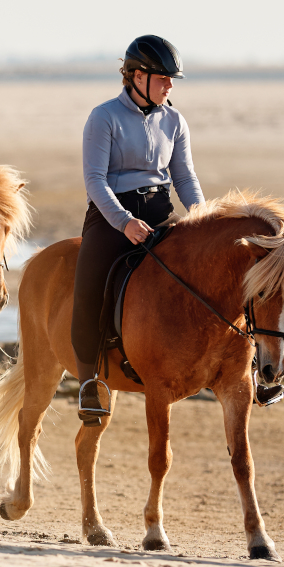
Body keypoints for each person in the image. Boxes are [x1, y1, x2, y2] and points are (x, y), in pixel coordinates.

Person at [71, 35, 203, 424]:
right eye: (164, 78)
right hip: (112, 216)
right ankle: (88, 381)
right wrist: (123, 221)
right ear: (138, 76)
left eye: (171, 79)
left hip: (161, 213)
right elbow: (95, 180)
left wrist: (202, 216)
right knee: (89, 285)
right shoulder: (103, 117)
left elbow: (184, 177)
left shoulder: (175, 121)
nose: (170, 86)